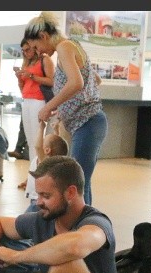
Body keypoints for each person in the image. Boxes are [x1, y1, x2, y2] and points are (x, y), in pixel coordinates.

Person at [27, 12, 107, 206]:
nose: (38, 52)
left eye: (37, 47)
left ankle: (83, 229)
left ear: (44, 36)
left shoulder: (64, 47)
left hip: (88, 122)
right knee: (81, 181)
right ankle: (84, 228)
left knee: (77, 183)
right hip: (86, 123)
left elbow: (76, 83)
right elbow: (94, 79)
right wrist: (64, 107)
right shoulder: (71, 46)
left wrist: (50, 106)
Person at [15, 38, 54, 213]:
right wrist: (20, 78)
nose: (25, 52)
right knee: (31, 143)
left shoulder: (45, 59)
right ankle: (32, 179)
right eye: (23, 50)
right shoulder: (27, 62)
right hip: (27, 100)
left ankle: (39, 179)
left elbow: (51, 81)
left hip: (39, 101)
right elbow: (23, 86)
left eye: (27, 49)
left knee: (39, 142)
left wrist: (31, 76)